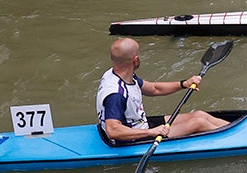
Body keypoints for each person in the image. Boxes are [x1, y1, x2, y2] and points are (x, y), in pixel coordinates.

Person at [96, 37, 228, 144]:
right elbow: (113, 131)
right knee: (199, 123)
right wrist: (152, 132)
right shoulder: (116, 95)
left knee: (200, 115)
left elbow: (154, 88)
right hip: (131, 138)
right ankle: (238, 140)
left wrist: (184, 84)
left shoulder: (118, 73)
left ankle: (237, 129)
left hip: (138, 125)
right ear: (135, 60)